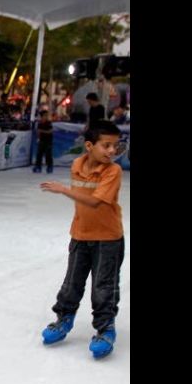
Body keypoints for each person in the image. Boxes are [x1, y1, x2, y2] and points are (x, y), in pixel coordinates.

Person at [39, 120, 125, 359]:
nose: (111, 151)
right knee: (71, 283)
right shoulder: (77, 164)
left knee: (103, 286)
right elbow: (82, 198)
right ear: (89, 145)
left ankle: (105, 328)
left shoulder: (113, 171)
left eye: (115, 146)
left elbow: (96, 201)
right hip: (80, 234)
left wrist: (64, 190)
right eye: (106, 145)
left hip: (108, 239)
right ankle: (64, 318)